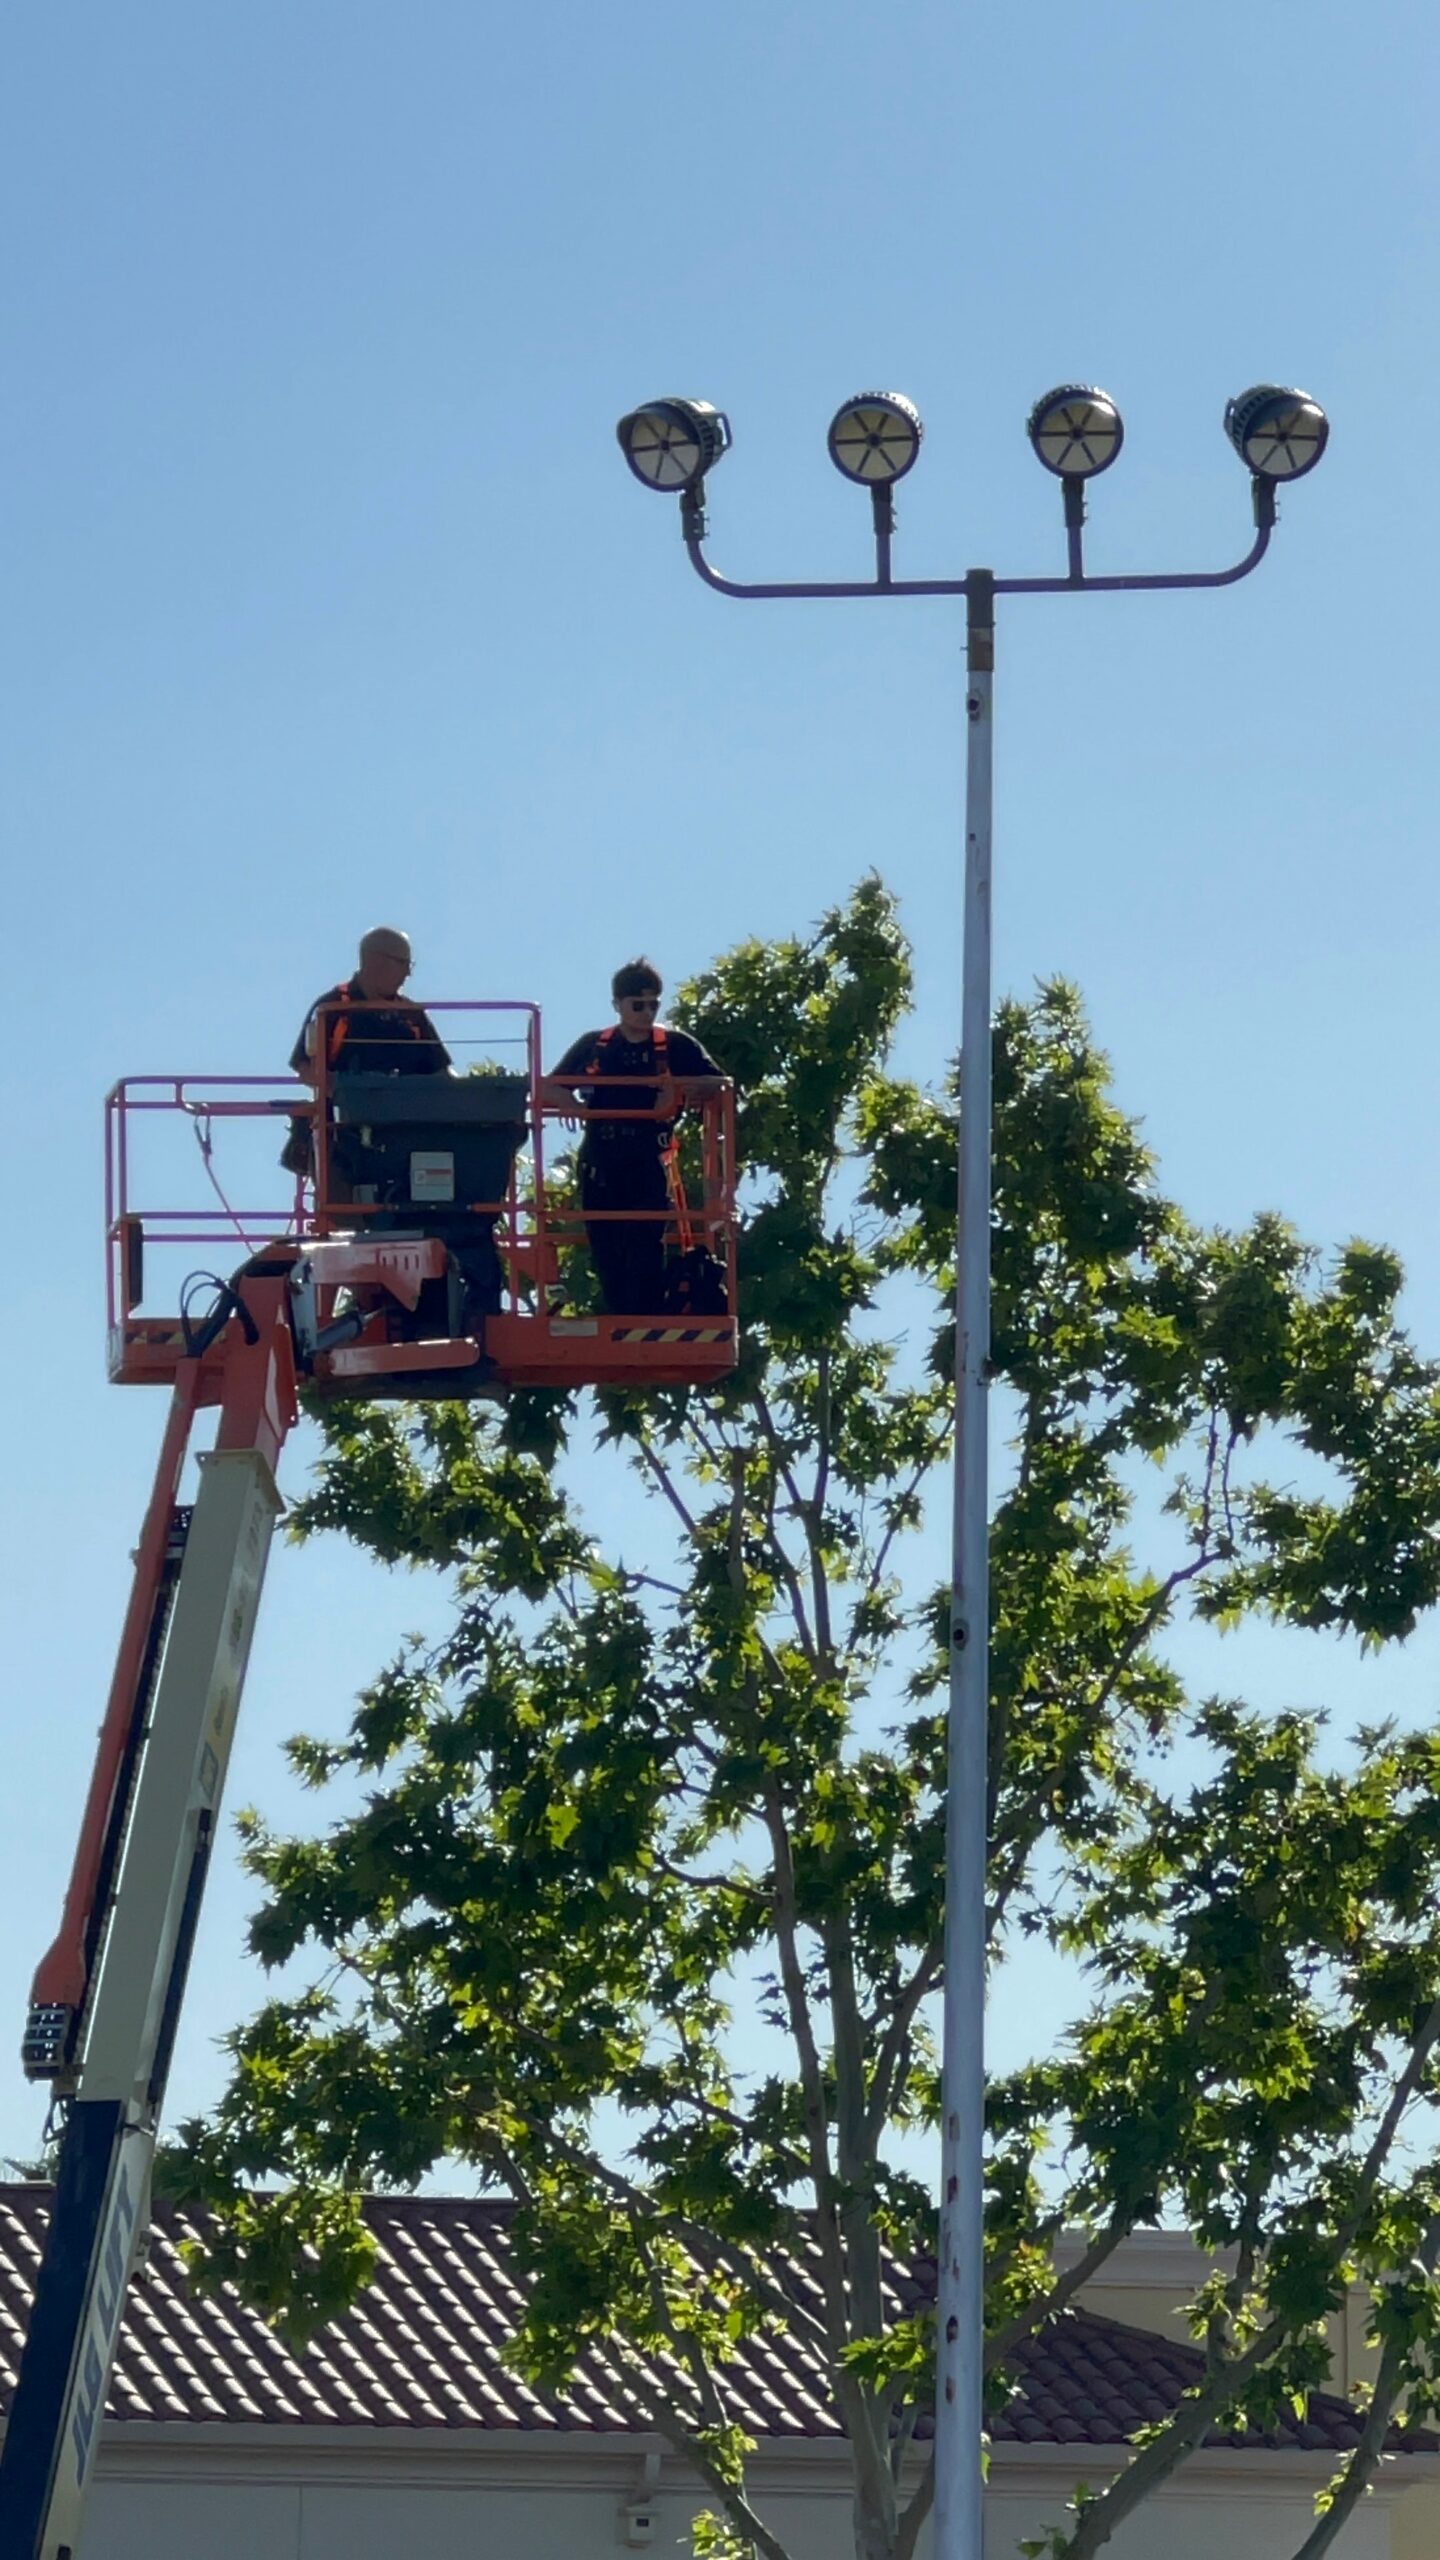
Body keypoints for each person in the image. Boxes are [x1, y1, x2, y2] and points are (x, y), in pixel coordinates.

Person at [547, 959, 724, 1315]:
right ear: (617, 1004)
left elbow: (719, 1083)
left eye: (653, 1005)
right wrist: (572, 1105)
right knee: (607, 1251)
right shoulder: (596, 1045)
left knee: (645, 1248)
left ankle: (646, 1315)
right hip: (601, 1161)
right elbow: (548, 1086)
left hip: (646, 1160)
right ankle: (622, 1316)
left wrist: (680, 1089)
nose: (646, 1013)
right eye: (637, 1005)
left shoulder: (674, 1045)